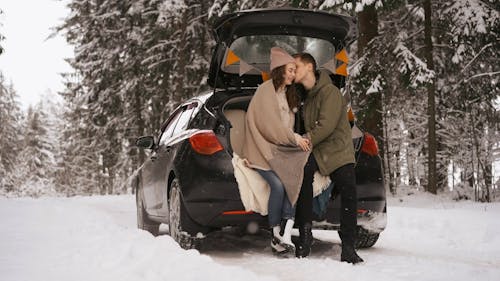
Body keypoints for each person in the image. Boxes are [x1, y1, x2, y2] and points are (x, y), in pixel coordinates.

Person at [293, 53, 364, 264]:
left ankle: (348, 246)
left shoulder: (330, 91)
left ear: (308, 67)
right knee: (302, 175)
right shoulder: (304, 96)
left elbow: (326, 126)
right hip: (316, 150)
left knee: (349, 190)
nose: (293, 70)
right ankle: (305, 235)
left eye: (296, 66)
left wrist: (304, 139)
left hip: (338, 150)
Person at [241, 47, 310, 256]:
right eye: (290, 70)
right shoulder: (265, 91)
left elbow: (285, 129)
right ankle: (275, 232)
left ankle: (287, 233)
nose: (292, 74)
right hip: (261, 151)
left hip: (280, 149)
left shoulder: (287, 94)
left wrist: (300, 139)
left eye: (293, 70)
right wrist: (295, 138)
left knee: (293, 179)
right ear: (279, 69)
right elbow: (271, 127)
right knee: (279, 186)